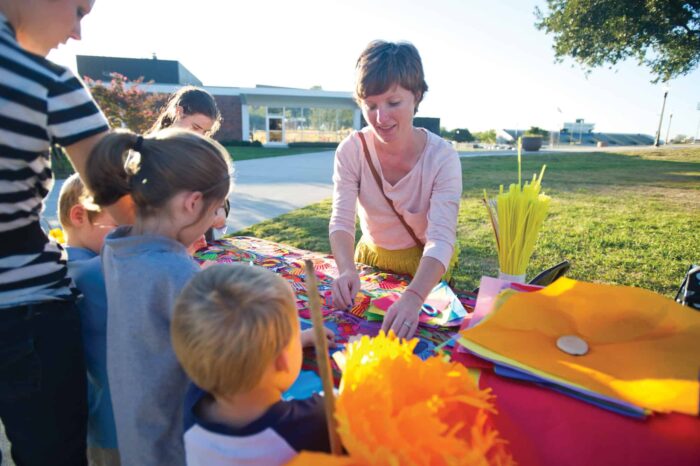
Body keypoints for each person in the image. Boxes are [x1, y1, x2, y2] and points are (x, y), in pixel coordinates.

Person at [0, 1, 110, 464]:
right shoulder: (45, 81)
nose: (78, 33)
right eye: (79, 10)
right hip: (26, 312)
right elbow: (119, 191)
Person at [84, 128, 232, 466]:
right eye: (214, 212)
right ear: (192, 203)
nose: (213, 221)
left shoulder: (117, 247)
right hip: (173, 444)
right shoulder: (176, 275)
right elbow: (228, 355)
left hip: (135, 432)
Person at [329, 40, 462, 340]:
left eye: (393, 102)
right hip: (370, 261)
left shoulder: (442, 157)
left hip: (425, 269)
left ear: (417, 96)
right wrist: (347, 270)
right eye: (371, 105)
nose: (380, 118)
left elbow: (441, 239)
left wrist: (414, 297)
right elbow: (341, 220)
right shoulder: (351, 150)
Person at [171, 263, 335, 465]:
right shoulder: (313, 422)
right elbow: (355, 398)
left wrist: (296, 340)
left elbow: (226, 350)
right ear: (281, 360)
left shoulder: (192, 401)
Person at [58, 174, 120, 466]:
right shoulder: (94, 272)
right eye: (121, 226)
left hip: (98, 422)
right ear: (79, 215)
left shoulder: (65, 266)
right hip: (119, 424)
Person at [149, 85, 222, 136]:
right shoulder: (150, 150)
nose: (200, 136)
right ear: (179, 112)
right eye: (195, 127)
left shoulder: (201, 154)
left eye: (205, 132)